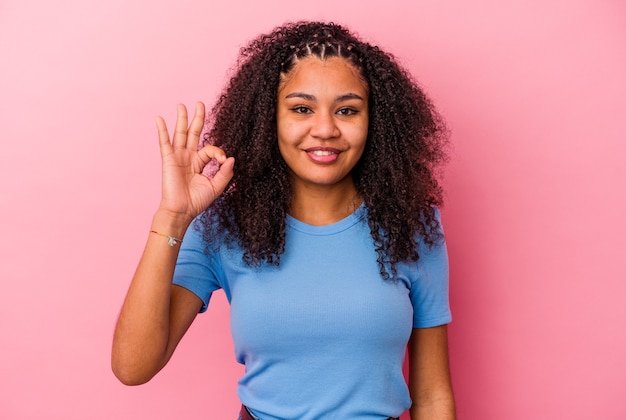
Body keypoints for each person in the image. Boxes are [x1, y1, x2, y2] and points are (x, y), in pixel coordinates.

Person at [112, 21, 455, 420]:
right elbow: (132, 367)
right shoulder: (223, 226)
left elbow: (432, 396)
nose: (325, 129)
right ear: (268, 119)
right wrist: (172, 219)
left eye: (347, 110)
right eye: (301, 109)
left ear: (374, 121)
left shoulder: (411, 226)